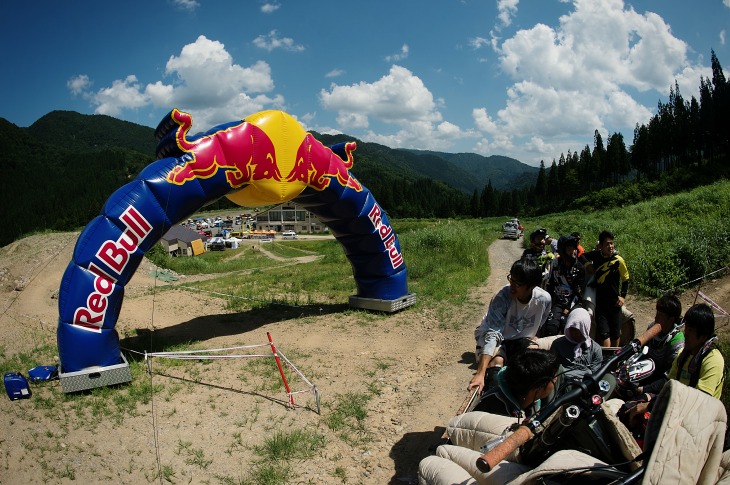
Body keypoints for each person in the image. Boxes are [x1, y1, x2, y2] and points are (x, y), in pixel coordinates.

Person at [626, 303, 724, 428]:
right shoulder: (684, 355)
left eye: (690, 330)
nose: (686, 334)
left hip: (697, 420)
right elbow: (669, 385)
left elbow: (698, 401)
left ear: (703, 336)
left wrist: (651, 406)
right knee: (629, 408)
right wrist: (646, 396)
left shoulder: (713, 360)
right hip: (677, 408)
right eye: (686, 328)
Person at [469, 258, 552, 392]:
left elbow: (542, 318)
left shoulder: (544, 299)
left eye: (517, 283)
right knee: (497, 363)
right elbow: (493, 333)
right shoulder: (502, 297)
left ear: (531, 286)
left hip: (520, 339)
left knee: (529, 365)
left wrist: (533, 336)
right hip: (497, 338)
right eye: (511, 279)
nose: (512, 286)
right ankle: (491, 398)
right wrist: (480, 373)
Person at [472, 348, 560, 419]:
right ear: (538, 389)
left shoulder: (524, 395)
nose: (556, 379)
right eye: (553, 378)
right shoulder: (500, 415)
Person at [630, 295, 684, 395]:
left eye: (660, 316)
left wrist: (644, 389)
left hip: (658, 386)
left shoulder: (677, 343)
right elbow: (641, 351)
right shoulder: (653, 326)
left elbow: (668, 377)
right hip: (643, 373)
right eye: (656, 313)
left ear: (671, 319)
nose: (656, 318)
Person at [584, 230, 630, 347]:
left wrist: (623, 296)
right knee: (604, 334)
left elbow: (625, 279)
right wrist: (588, 265)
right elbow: (582, 256)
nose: (610, 246)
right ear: (600, 246)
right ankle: (607, 360)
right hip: (600, 303)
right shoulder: (596, 256)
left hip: (615, 303)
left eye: (611, 243)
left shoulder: (618, 260)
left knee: (615, 334)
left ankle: (614, 359)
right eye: (607, 244)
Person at [541, 235, 586, 336]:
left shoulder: (579, 268)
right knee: (550, 328)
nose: (573, 252)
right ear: (562, 250)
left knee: (567, 326)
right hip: (557, 302)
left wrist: (568, 308)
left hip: (573, 302)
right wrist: (549, 304)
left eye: (574, 249)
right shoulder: (555, 264)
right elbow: (550, 284)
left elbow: (579, 292)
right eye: (569, 249)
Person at [550, 307, 603, 383]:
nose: (575, 334)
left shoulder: (595, 349)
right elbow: (553, 371)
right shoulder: (558, 345)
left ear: (586, 328)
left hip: (585, 386)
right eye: (572, 329)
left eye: (579, 330)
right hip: (563, 385)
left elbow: (596, 374)